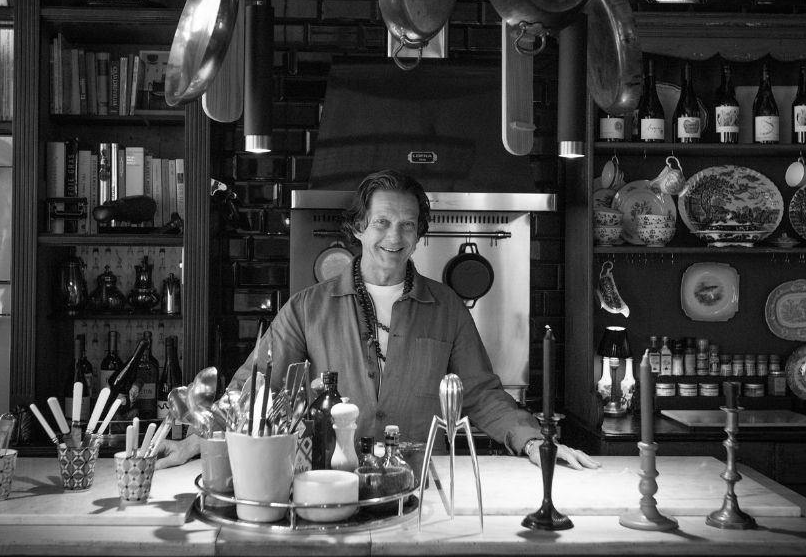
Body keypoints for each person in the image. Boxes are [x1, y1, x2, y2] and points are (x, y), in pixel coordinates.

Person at [223, 169, 599, 470]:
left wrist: (533, 441)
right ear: (359, 228)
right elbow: (255, 385)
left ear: (419, 234)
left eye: (407, 224)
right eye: (382, 222)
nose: (395, 236)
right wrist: (205, 433)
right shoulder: (307, 308)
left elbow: (481, 394)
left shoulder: (447, 307)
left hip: (420, 482)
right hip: (334, 478)